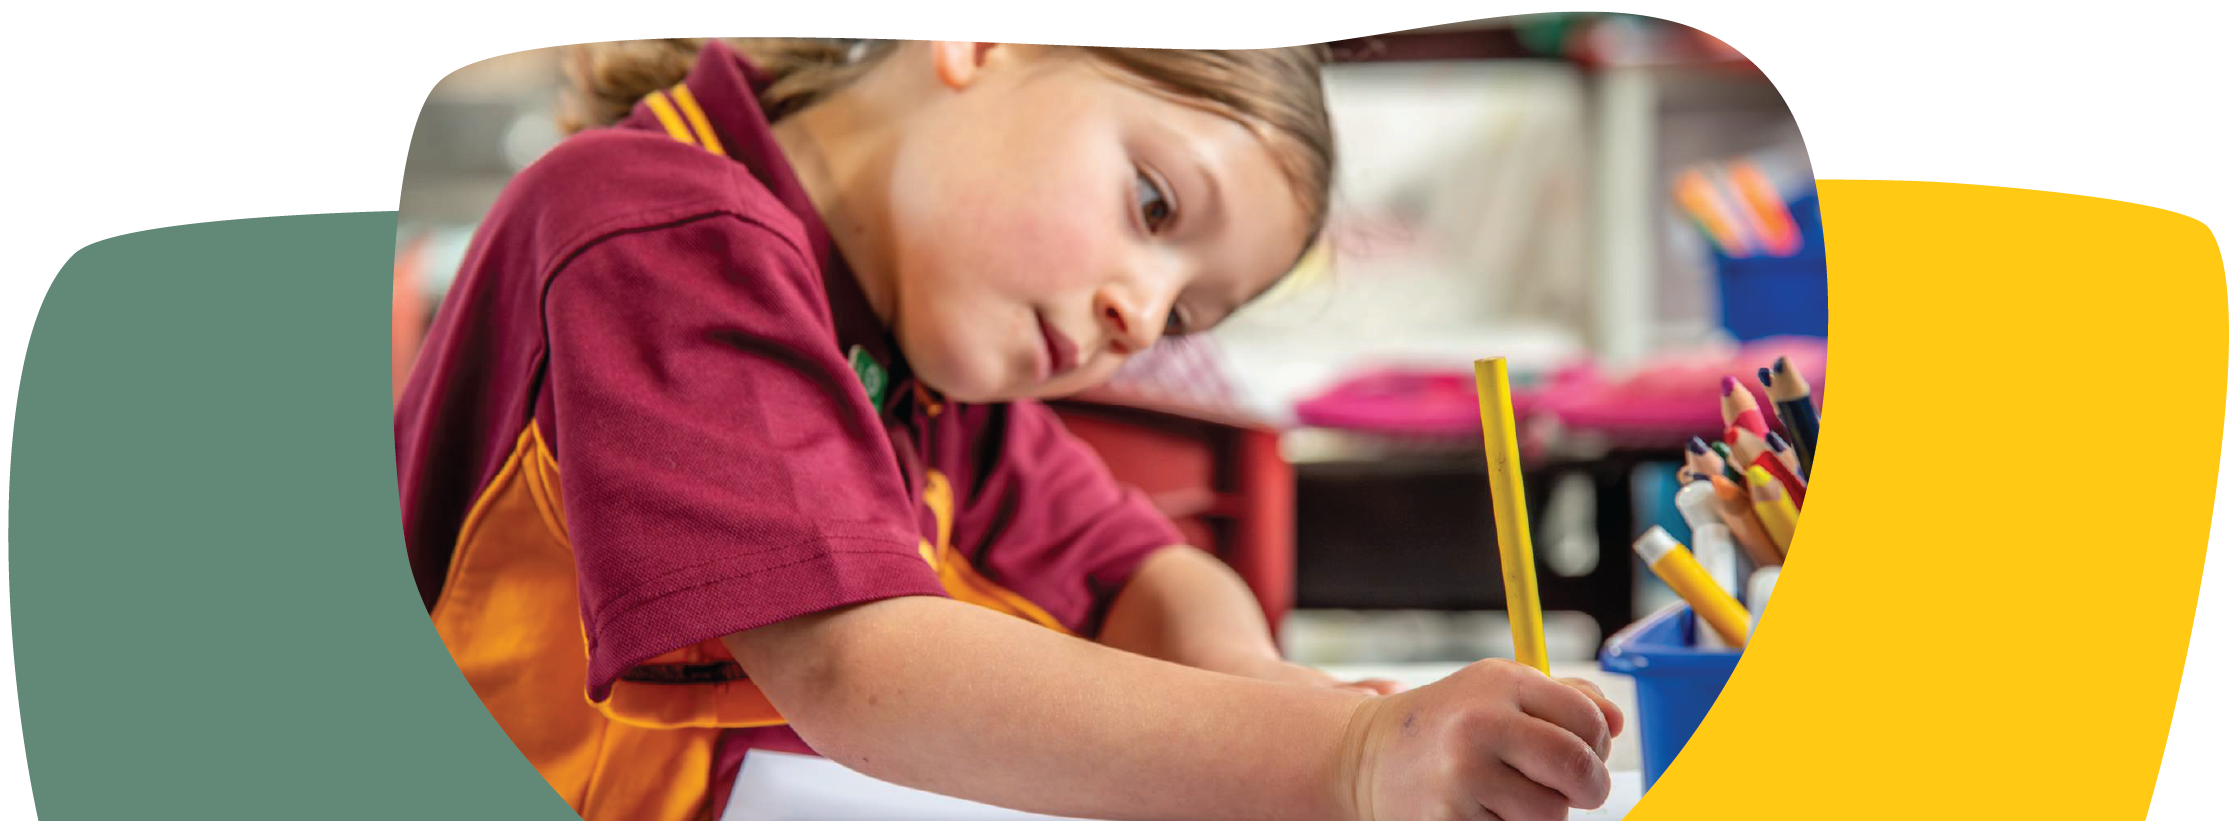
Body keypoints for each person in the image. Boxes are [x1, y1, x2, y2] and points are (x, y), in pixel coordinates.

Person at [394, 37, 1622, 820]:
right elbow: (858, 670)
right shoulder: (654, 226)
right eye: (1152, 203)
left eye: (1182, 312)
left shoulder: (917, 355)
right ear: (983, 35)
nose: (1136, 313)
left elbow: (1146, 570)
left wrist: (1261, 693)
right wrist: (1344, 753)